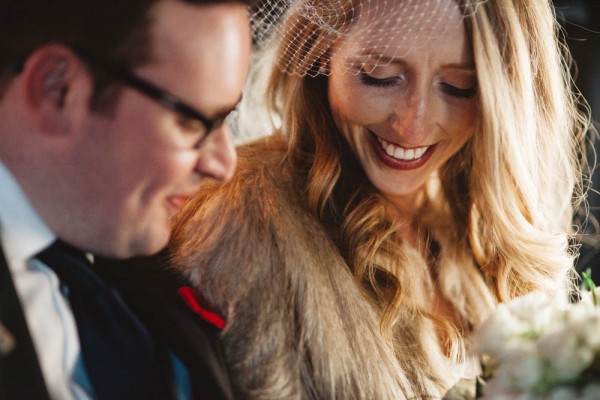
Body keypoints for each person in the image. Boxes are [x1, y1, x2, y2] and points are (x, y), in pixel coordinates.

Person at [167, 0, 590, 398]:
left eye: (460, 87)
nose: (413, 126)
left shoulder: (478, 227)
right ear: (320, 52)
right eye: (379, 76)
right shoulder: (244, 221)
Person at [0, 0, 252, 399]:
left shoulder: (154, 267)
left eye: (229, 120)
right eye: (194, 121)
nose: (225, 165)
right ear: (57, 90)